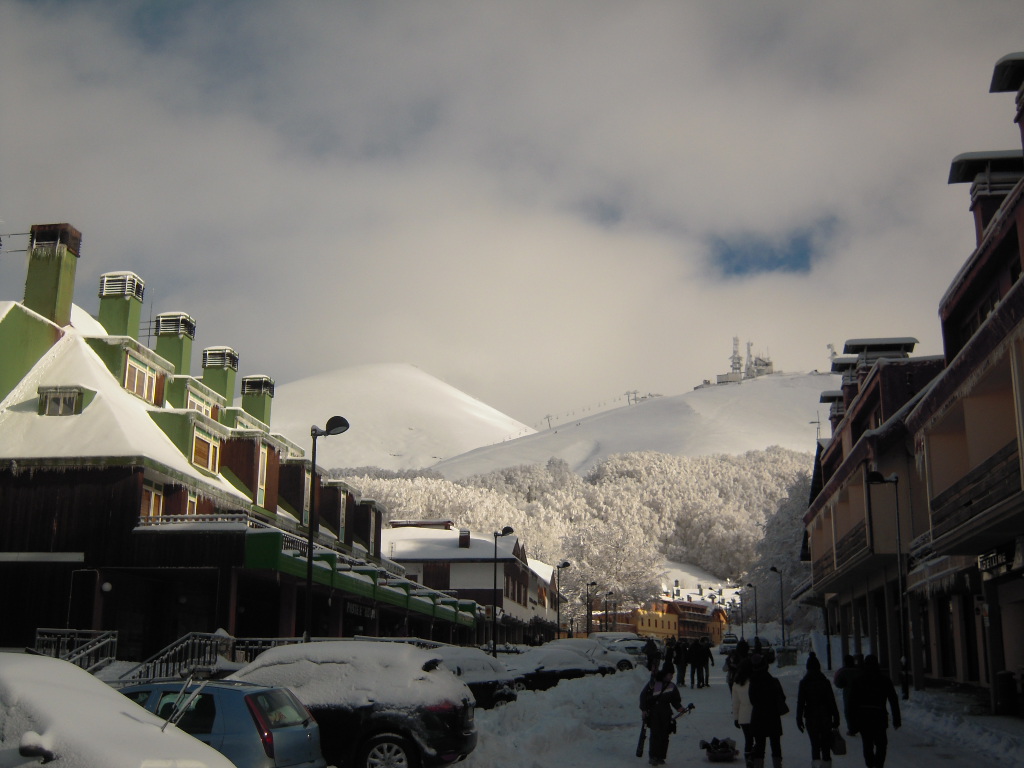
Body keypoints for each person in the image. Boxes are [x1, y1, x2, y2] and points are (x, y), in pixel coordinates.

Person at [848, 654, 900, 768]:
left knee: (867, 745)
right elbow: (893, 700)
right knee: (881, 745)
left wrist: (852, 723)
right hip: (879, 716)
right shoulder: (884, 680)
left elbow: (851, 703)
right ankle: (878, 764)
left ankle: (870, 765)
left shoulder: (858, 680)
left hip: (863, 717)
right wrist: (896, 719)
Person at [796, 653, 840, 768]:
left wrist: (799, 719)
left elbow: (800, 703)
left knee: (815, 745)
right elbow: (831, 701)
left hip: (811, 717)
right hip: (826, 716)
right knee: (826, 744)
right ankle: (827, 764)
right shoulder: (825, 682)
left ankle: (816, 764)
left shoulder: (804, 683)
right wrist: (836, 717)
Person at [639, 662, 686, 766]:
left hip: (666, 714)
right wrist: (644, 709)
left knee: (665, 735)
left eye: (673, 674)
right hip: (654, 713)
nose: (672, 676)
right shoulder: (654, 683)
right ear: (665, 674)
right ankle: (653, 757)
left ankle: (661, 756)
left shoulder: (672, 686)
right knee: (655, 735)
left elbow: (675, 700)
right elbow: (643, 696)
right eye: (670, 674)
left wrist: (679, 708)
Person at [748, 652, 786, 768]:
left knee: (759, 745)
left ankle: (758, 765)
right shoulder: (773, 681)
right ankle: (777, 765)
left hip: (758, 716)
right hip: (773, 716)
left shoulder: (753, 682)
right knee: (775, 745)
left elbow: (752, 700)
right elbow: (782, 698)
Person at [731, 657, 755, 768]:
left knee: (748, 740)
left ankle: (748, 760)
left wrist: (736, 718)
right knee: (758, 740)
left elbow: (735, 703)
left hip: (743, 716)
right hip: (756, 714)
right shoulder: (755, 681)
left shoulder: (737, 683)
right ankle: (756, 759)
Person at [833, 654, 860, 735]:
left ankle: (852, 729)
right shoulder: (859, 670)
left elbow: (837, 682)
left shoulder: (843, 671)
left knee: (849, 712)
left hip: (848, 694)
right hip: (860, 695)